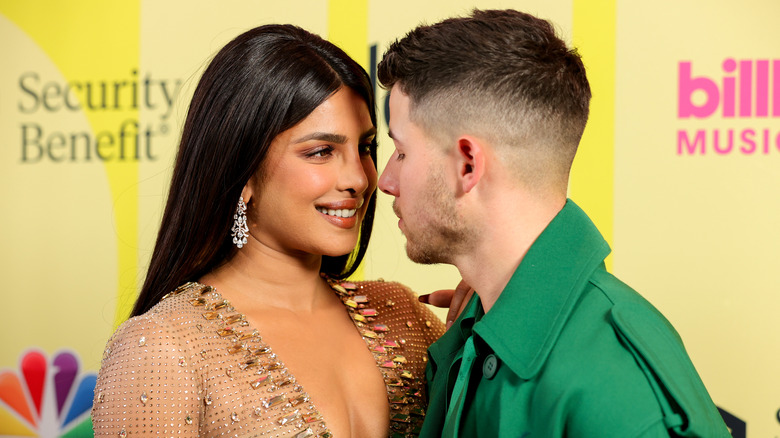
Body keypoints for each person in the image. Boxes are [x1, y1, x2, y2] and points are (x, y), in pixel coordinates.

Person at [377, 9, 731, 438]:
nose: (385, 182)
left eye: (401, 152)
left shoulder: (620, 393)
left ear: (467, 164)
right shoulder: (474, 331)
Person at [92, 24, 444, 438]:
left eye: (365, 148)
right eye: (321, 152)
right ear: (243, 171)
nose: (359, 178)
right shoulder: (163, 348)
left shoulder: (402, 316)